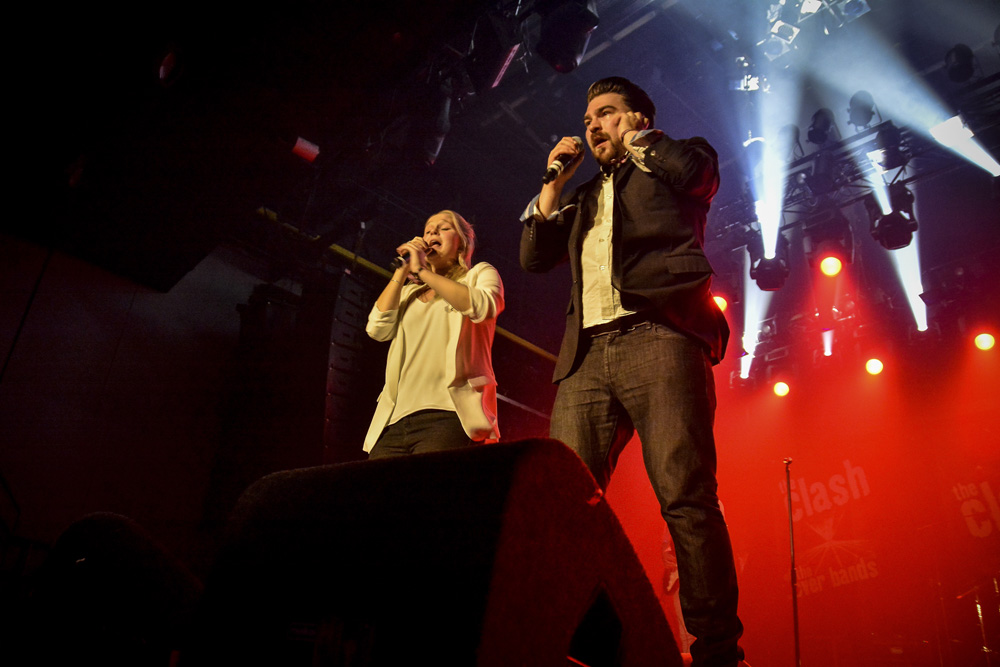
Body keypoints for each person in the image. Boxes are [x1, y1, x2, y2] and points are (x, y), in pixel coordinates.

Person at [518, 77, 745, 666]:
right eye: (588, 118)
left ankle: (718, 650)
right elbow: (534, 257)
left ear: (638, 117)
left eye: (607, 114)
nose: (593, 125)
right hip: (586, 358)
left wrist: (640, 139)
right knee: (565, 506)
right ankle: (579, 645)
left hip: (660, 336)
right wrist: (554, 182)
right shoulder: (585, 194)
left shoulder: (672, 161)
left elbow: (700, 174)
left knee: (685, 495)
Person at [364, 210, 504, 458]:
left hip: (449, 414)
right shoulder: (408, 293)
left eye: (443, 227)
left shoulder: (478, 274)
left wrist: (423, 271)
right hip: (394, 420)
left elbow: (483, 307)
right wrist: (403, 270)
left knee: (432, 493)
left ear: (462, 242)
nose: (432, 233)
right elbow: (376, 329)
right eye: (428, 229)